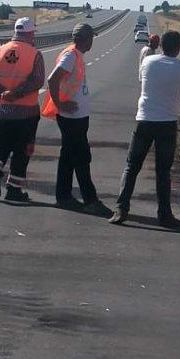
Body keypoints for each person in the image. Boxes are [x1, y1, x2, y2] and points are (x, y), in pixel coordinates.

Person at [111, 31, 180, 227]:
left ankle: (121, 208)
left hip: (145, 119)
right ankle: (164, 215)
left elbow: (143, 82)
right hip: (167, 123)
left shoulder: (148, 62)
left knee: (132, 167)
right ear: (179, 48)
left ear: (161, 45)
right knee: (163, 171)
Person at [45, 23, 112, 216]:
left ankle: (64, 196)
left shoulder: (76, 55)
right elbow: (52, 79)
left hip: (76, 117)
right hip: (71, 118)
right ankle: (90, 200)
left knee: (68, 157)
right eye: (91, 38)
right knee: (82, 157)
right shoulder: (70, 56)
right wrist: (59, 104)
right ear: (84, 39)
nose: (92, 42)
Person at [0, 17, 45, 202]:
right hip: (26, 112)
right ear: (30, 33)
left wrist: (1, 93)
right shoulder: (34, 54)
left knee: (0, 145)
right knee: (22, 150)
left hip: (1, 111)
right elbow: (37, 80)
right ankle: (14, 189)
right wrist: (16, 93)